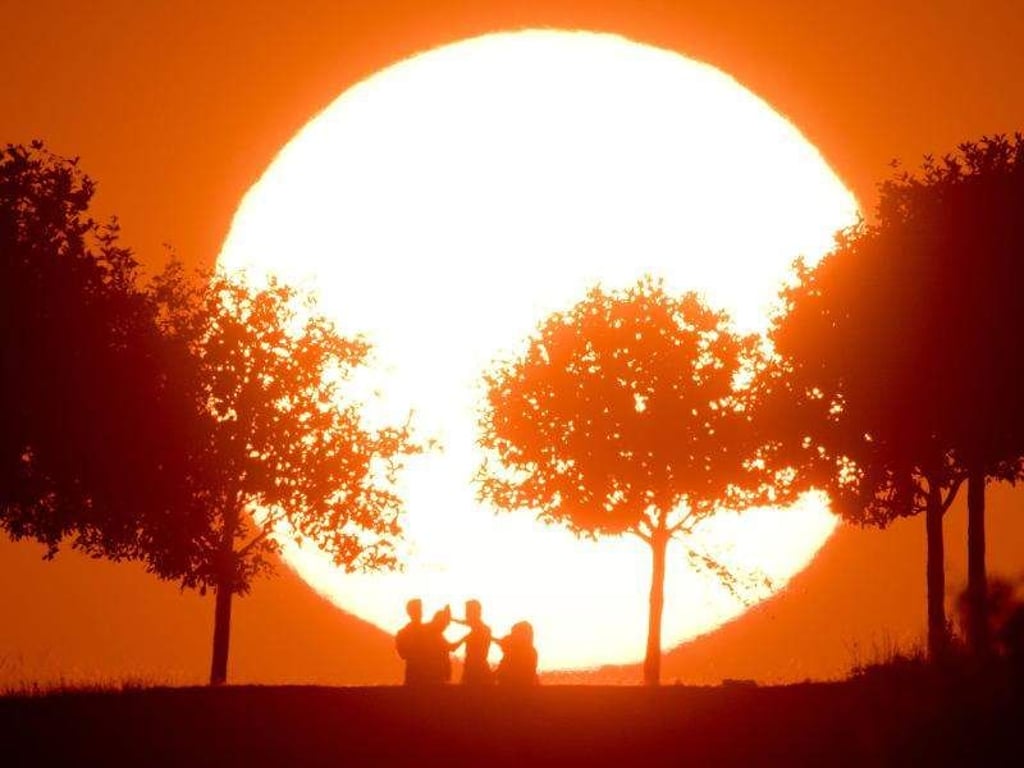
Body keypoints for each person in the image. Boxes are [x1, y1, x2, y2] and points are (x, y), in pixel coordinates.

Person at [452, 599, 493, 685]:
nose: (466, 615)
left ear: (476, 613)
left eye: (468, 611)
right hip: (472, 670)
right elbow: (468, 622)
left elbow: (470, 623)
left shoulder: (482, 631)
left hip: (476, 673)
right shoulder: (481, 630)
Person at [494, 620, 538, 687]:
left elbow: (503, 673)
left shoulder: (521, 653)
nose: (512, 636)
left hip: (515, 691)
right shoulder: (529, 651)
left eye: (514, 633)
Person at [395, 598, 427, 685]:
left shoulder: (403, 633)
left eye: (420, 609)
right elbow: (403, 654)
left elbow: (402, 654)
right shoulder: (428, 630)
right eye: (418, 609)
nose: (420, 612)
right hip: (416, 674)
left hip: (418, 675)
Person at [422, 605, 455, 684]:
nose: (446, 627)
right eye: (446, 624)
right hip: (435, 676)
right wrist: (466, 638)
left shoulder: (431, 630)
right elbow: (451, 647)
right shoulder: (433, 633)